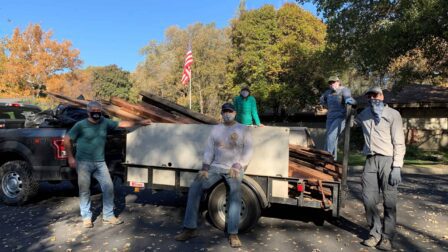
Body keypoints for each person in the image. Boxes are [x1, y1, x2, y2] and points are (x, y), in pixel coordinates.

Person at [175, 103, 253, 248]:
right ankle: (190, 228)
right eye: (225, 112)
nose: (227, 114)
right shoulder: (216, 129)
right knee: (195, 187)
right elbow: (209, 150)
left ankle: (233, 234)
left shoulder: (243, 129)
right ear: (222, 113)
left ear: (235, 113)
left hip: (234, 169)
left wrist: (238, 165)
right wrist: (205, 167)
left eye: (230, 111)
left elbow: (248, 151)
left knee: (235, 196)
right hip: (215, 167)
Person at [64, 101, 151, 228]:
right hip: (83, 163)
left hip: (100, 163)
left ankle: (108, 216)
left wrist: (139, 122)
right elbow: (67, 139)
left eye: (98, 111)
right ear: (88, 112)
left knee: (108, 188)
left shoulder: (104, 122)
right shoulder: (80, 125)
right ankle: (87, 218)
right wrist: (70, 158)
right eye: (94, 111)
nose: (96, 113)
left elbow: (122, 124)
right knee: (84, 191)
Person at [355, 87, 405, 251]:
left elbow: (399, 142)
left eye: (375, 95)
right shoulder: (364, 114)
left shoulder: (393, 115)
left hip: (388, 161)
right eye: (369, 96)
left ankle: (387, 238)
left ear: (382, 96)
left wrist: (397, 166)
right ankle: (374, 233)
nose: (372, 98)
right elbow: (349, 122)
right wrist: (344, 106)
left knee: (389, 202)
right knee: (368, 199)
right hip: (370, 160)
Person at [319, 76, 356, 160]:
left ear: (338, 82)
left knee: (331, 136)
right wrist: (326, 105)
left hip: (341, 117)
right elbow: (322, 100)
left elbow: (348, 98)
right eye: (330, 83)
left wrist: (349, 100)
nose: (332, 84)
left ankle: (326, 157)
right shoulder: (327, 92)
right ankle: (332, 159)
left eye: (334, 82)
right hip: (330, 118)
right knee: (330, 138)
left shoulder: (344, 90)